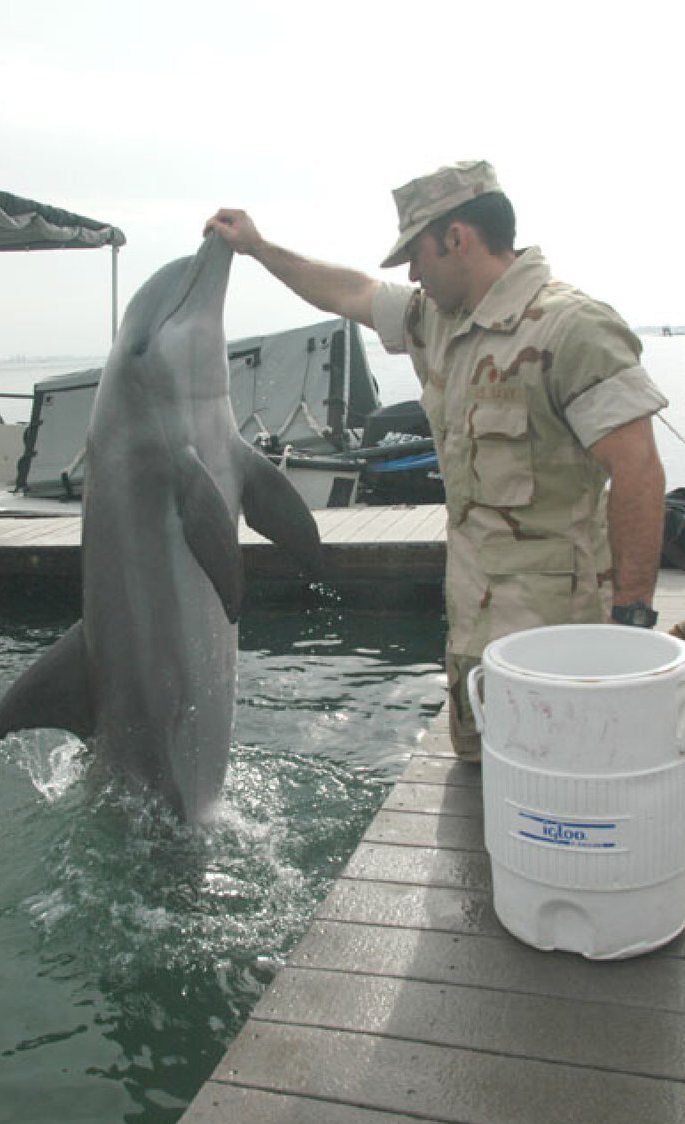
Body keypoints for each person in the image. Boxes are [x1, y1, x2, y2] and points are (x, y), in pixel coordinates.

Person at [205, 160, 668, 761]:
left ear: (458, 238)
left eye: (417, 256)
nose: (413, 274)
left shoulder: (572, 328)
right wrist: (260, 249)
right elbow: (350, 291)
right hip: (475, 642)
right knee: (482, 796)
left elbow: (639, 474)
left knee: (561, 805)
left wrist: (631, 627)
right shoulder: (438, 322)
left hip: (560, 648)